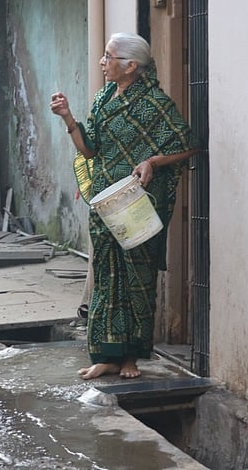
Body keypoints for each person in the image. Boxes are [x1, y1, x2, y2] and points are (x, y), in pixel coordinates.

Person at [50, 32, 197, 381]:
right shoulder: (103, 99)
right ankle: (107, 355)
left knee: (137, 279)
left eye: (108, 57)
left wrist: (153, 162)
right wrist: (68, 117)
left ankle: (131, 357)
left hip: (138, 203)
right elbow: (90, 150)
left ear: (131, 66)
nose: (103, 62)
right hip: (106, 202)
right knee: (107, 278)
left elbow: (187, 144)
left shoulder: (154, 104)